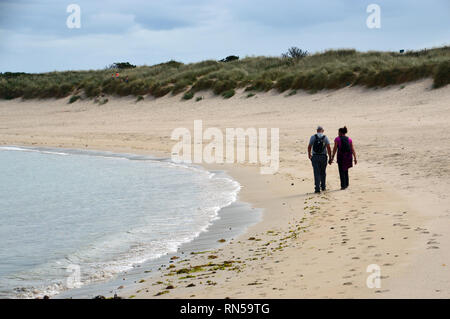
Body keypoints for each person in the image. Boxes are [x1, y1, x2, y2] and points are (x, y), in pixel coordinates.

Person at [308, 126, 332, 193]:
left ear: (317, 131)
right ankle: (323, 187)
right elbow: (329, 148)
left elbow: (309, 146)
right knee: (323, 172)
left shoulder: (313, 137)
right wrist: (330, 158)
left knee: (316, 173)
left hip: (315, 157)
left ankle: (317, 189)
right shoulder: (325, 137)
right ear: (323, 131)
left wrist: (309, 154)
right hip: (323, 157)